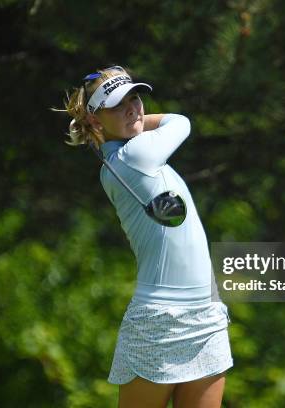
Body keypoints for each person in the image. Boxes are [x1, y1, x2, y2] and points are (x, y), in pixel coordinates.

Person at [60, 65, 233, 408]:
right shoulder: (136, 156)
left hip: (205, 314)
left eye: (135, 99)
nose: (133, 108)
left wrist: (124, 122)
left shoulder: (133, 155)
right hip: (160, 323)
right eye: (117, 105)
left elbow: (164, 123)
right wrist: (136, 122)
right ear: (96, 121)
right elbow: (180, 121)